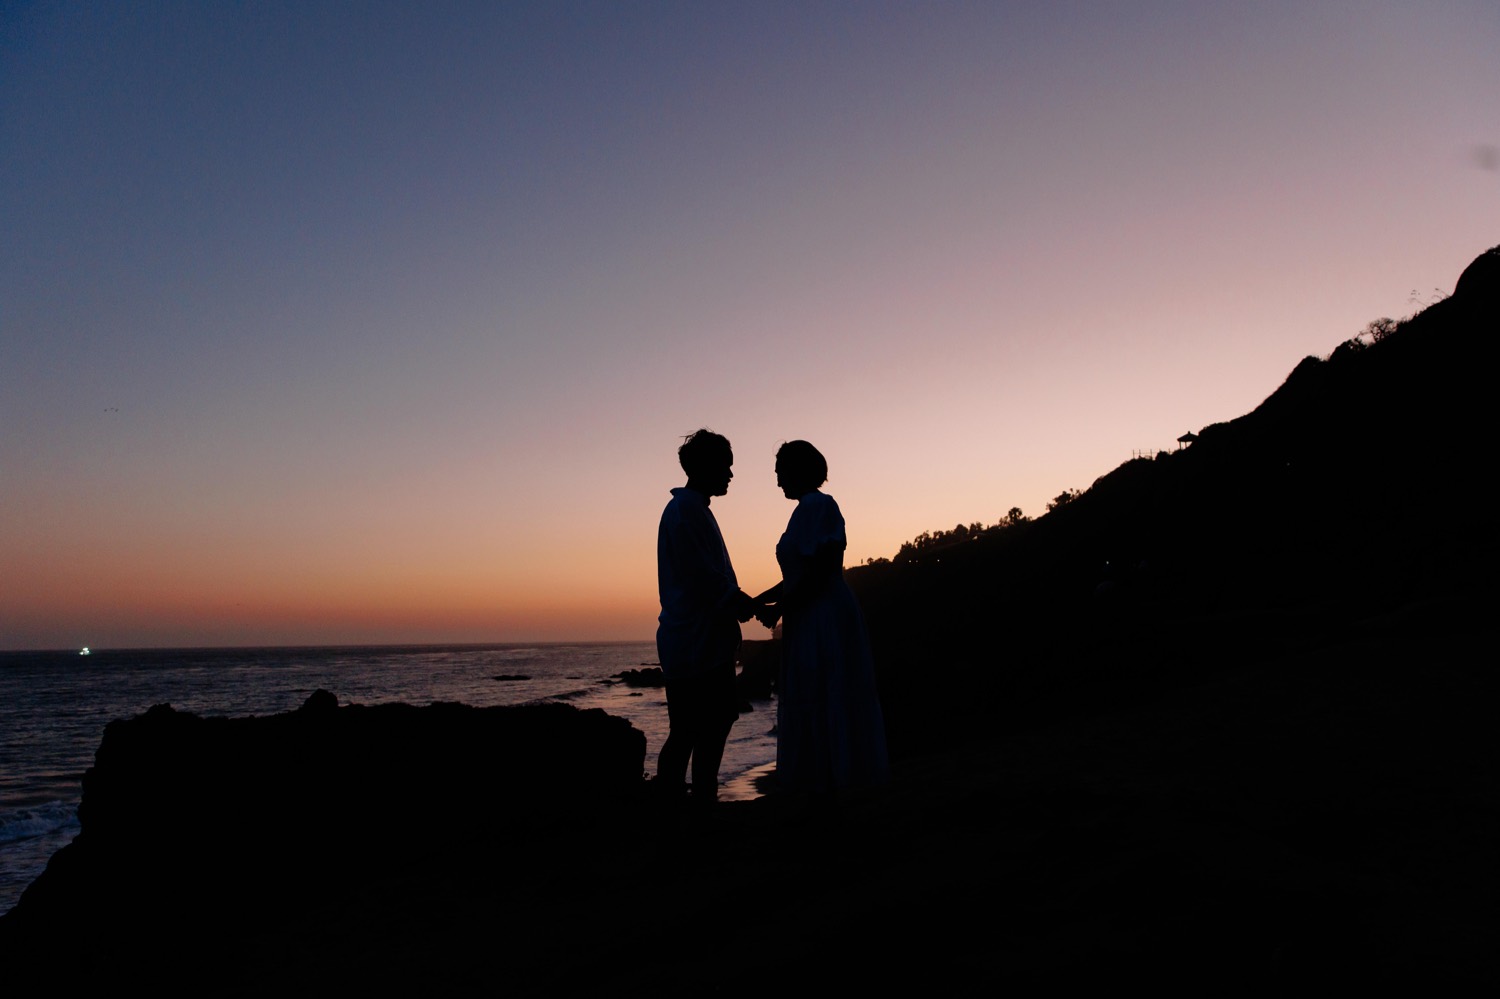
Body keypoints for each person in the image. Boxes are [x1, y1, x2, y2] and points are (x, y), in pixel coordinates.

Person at [756, 441, 888, 794]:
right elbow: (799, 574)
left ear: (800, 470)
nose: (778, 480)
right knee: (824, 691)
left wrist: (779, 609)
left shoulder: (817, 506)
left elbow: (821, 571)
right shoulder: (808, 509)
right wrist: (760, 600)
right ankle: (831, 776)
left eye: (781, 472)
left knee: (824, 689)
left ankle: (831, 779)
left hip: (822, 615)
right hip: (812, 611)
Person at [655, 429, 758, 802]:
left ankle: (696, 800)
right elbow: (703, 577)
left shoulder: (692, 510)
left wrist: (738, 602)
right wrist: (741, 601)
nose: (730, 474)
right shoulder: (686, 512)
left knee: (703, 725)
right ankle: (693, 803)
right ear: (703, 467)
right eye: (725, 467)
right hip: (694, 641)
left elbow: (708, 579)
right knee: (695, 729)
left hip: (698, 640)